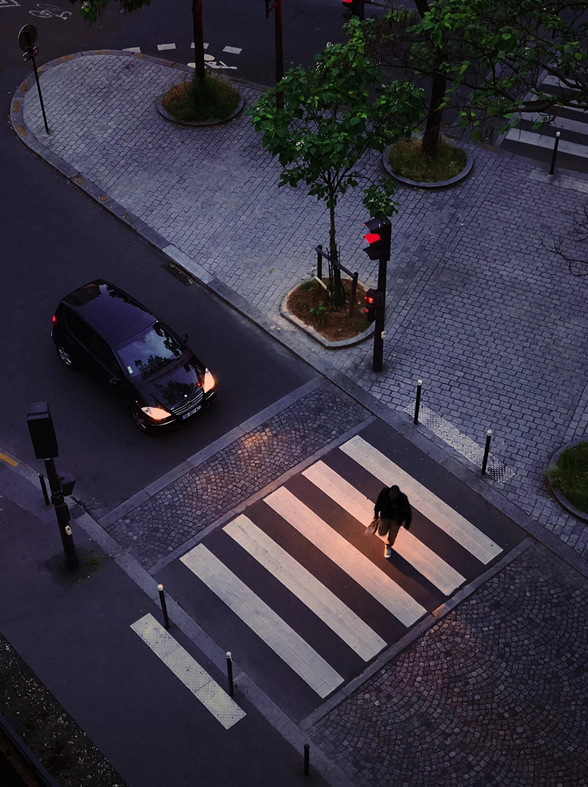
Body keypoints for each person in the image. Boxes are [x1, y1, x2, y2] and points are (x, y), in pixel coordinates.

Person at [374, 484, 412, 559]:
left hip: (396, 520)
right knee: (381, 532)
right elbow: (379, 502)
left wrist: (407, 523)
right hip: (385, 516)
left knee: (392, 535)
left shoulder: (403, 499)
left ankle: (388, 546)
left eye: (394, 496)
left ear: (398, 494)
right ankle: (384, 527)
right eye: (391, 495)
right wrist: (376, 513)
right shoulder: (384, 493)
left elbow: (407, 511)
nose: (392, 497)